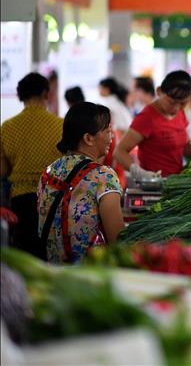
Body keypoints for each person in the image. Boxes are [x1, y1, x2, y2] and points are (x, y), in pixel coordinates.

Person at [37, 102, 124, 264]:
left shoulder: (49, 171)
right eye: (107, 131)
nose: (111, 137)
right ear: (88, 139)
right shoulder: (103, 176)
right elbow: (117, 240)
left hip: (52, 271)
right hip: (91, 275)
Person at [0, 73, 63, 258]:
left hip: (22, 200)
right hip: (54, 196)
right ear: (46, 93)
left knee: (28, 255)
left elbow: (2, 170)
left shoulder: (8, 127)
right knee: (53, 253)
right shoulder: (60, 125)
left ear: (20, 96)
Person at [114, 70, 191, 179]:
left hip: (176, 182)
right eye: (171, 102)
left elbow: (181, 147)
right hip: (154, 185)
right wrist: (139, 172)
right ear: (159, 91)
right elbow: (119, 151)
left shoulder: (181, 113)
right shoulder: (147, 117)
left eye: (183, 103)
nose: (177, 108)